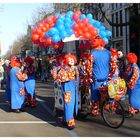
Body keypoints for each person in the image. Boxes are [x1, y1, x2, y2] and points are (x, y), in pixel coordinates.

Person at [56, 54, 79, 130]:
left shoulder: (74, 68)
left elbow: (77, 77)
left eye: (72, 60)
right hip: (67, 89)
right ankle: (70, 122)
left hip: (73, 88)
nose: (72, 61)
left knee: (70, 104)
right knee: (69, 104)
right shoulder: (62, 69)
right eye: (70, 60)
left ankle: (64, 119)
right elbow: (58, 77)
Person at [90, 37, 111, 116]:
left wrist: (88, 76)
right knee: (106, 95)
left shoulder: (92, 53)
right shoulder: (108, 52)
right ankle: (107, 106)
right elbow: (113, 65)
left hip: (96, 80)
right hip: (106, 79)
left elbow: (88, 67)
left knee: (95, 98)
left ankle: (95, 111)